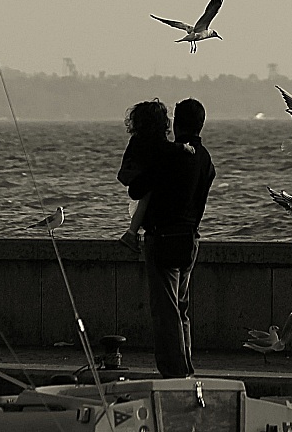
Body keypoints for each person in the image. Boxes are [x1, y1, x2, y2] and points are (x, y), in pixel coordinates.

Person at [127, 97, 216, 378]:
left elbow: (136, 188)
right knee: (181, 310)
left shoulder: (171, 156)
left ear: (178, 123)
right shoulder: (205, 160)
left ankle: (175, 373)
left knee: (165, 313)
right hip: (190, 239)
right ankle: (186, 366)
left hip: (163, 238)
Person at [116, 100, 173, 253]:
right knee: (147, 198)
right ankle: (131, 233)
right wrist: (183, 147)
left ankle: (132, 233)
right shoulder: (156, 144)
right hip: (146, 188)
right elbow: (169, 149)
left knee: (143, 201)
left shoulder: (136, 141)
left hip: (138, 183)